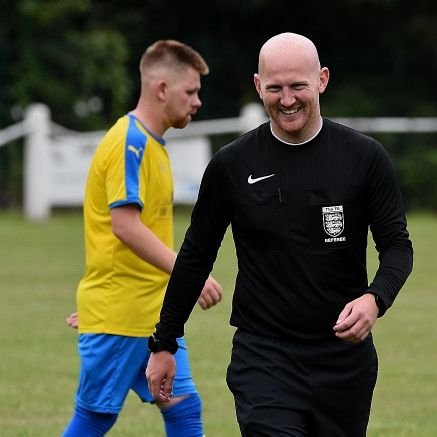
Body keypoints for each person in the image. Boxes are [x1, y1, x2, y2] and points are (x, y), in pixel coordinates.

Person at [146, 32, 413, 436]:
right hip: (263, 358)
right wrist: (164, 342)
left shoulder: (364, 158)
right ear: (258, 86)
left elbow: (397, 247)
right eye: (274, 88)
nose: (286, 100)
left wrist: (375, 299)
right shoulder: (231, 166)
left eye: (297, 86)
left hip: (344, 363)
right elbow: (196, 256)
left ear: (322, 80)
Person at [62, 39, 223, 437]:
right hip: (123, 314)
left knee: (185, 410)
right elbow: (125, 226)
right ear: (162, 89)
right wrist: (190, 273)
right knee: (94, 417)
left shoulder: (153, 144)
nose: (197, 101)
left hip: (149, 314)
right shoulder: (128, 142)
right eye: (191, 91)